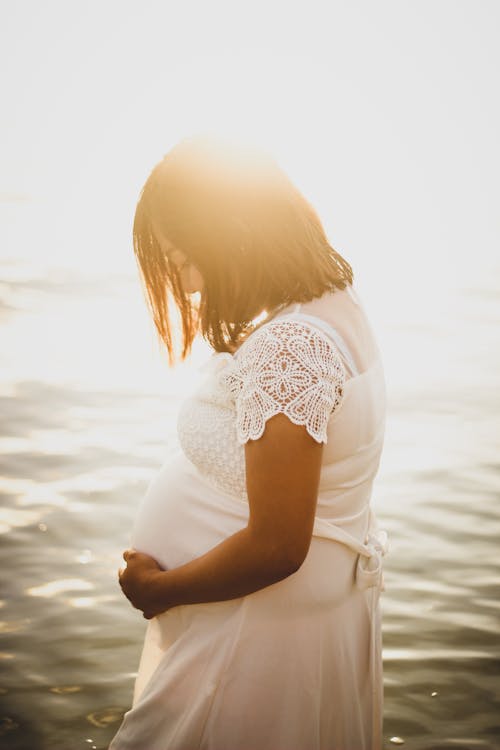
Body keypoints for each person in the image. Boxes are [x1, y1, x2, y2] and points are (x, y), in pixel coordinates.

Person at [109, 135, 388, 750]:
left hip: (253, 639)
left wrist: (160, 590)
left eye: (182, 258)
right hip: (282, 624)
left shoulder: (290, 349)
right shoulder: (332, 305)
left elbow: (276, 545)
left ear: (231, 234)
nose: (182, 285)